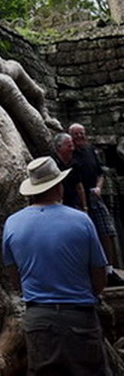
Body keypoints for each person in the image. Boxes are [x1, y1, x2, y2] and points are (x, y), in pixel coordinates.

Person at [2, 156, 111, 375]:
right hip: (79, 316)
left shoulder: (12, 223)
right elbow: (100, 276)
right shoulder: (81, 220)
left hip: (38, 319)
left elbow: (15, 279)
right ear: (59, 186)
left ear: (32, 190)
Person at [69, 122, 123, 286]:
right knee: (84, 236)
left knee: (107, 231)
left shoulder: (90, 151)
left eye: (81, 133)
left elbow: (100, 174)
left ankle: (109, 269)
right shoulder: (70, 155)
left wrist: (98, 188)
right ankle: (88, 272)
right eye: (76, 134)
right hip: (77, 201)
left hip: (94, 197)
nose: (79, 136)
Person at [52, 132, 87, 211]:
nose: (72, 149)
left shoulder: (74, 164)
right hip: (57, 205)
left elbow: (79, 186)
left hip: (73, 203)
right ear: (59, 147)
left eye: (72, 146)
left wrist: (84, 207)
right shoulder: (52, 164)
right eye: (69, 146)